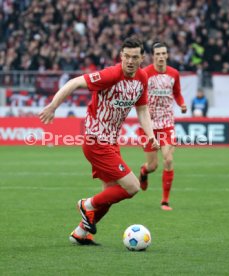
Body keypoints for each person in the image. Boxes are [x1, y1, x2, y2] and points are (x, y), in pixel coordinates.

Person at [39, 37, 159, 246]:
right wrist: (53, 106)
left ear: (142, 58)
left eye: (135, 57)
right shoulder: (111, 74)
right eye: (127, 56)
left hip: (111, 141)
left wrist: (150, 135)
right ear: (121, 56)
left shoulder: (142, 78)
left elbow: (142, 109)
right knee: (132, 186)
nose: (130, 61)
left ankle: (81, 233)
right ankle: (86, 204)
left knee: (110, 193)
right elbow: (74, 82)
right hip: (96, 140)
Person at [138, 42, 187, 211]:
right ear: (153, 56)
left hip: (167, 123)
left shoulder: (174, 73)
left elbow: (177, 92)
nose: (160, 56)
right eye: (157, 53)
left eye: (163, 53)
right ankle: (144, 172)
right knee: (152, 166)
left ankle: (165, 201)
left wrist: (182, 103)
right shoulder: (145, 73)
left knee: (169, 159)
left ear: (167, 55)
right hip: (149, 125)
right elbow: (138, 96)